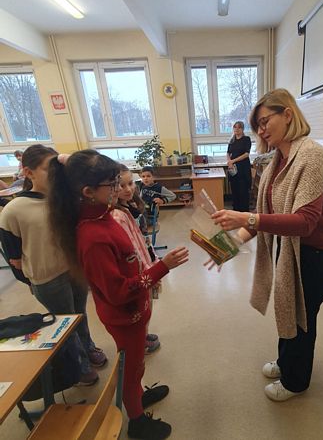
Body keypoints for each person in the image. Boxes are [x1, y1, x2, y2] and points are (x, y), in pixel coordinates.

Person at [210, 89, 323, 401]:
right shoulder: (278, 160)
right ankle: (286, 362)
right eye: (257, 125)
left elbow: (305, 222)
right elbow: (267, 214)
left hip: (316, 253)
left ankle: (296, 382)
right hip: (292, 248)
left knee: (302, 318)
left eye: (265, 121)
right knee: (288, 309)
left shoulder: (312, 156)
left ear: (288, 114)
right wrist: (228, 245)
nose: (261, 130)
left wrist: (246, 218)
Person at [47, 149, 189, 439]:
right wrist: (162, 267)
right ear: (88, 192)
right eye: (112, 184)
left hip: (135, 309)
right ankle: (136, 420)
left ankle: (137, 395)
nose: (119, 188)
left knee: (136, 365)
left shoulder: (104, 215)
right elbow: (118, 292)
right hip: (125, 316)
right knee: (131, 368)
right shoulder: (93, 237)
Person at [0, 144, 105, 386]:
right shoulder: (13, 210)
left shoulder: (65, 198)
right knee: (65, 322)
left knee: (79, 314)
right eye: (50, 169)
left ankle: (88, 347)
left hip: (73, 270)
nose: (57, 174)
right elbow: (14, 257)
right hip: (47, 278)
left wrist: (67, 162)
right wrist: (32, 281)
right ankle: (79, 365)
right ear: (28, 172)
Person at [112, 164, 161, 353]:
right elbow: (131, 248)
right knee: (140, 308)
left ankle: (143, 335)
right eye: (121, 185)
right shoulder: (118, 216)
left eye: (131, 183)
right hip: (139, 269)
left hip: (146, 257)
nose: (128, 189)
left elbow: (142, 239)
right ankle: (140, 342)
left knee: (146, 305)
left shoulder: (130, 205)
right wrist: (150, 269)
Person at [226, 121, 252, 212]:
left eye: (239, 127)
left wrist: (233, 161)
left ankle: (244, 212)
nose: (236, 129)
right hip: (233, 169)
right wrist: (229, 161)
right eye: (235, 127)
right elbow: (228, 153)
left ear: (242, 129)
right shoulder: (232, 141)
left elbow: (246, 154)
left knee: (243, 191)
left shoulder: (246, 139)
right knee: (235, 190)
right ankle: (236, 211)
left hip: (243, 169)